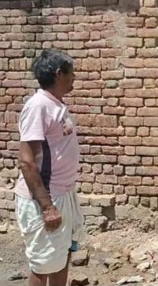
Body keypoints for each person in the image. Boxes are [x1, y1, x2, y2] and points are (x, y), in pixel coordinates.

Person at [15, 49, 84, 286]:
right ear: (59, 73)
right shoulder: (38, 106)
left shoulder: (55, 105)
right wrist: (47, 207)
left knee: (62, 256)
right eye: (71, 72)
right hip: (46, 199)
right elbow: (26, 161)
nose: (74, 77)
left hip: (63, 194)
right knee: (43, 264)